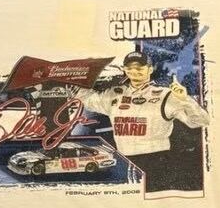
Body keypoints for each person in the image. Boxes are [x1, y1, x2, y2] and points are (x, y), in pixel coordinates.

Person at [75, 50, 210, 193]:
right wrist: (78, 78)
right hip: (124, 161)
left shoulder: (166, 95)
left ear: (150, 69)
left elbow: (199, 121)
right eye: (130, 68)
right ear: (124, 69)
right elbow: (88, 99)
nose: (134, 71)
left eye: (139, 67)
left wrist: (185, 100)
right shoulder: (114, 94)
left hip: (156, 161)